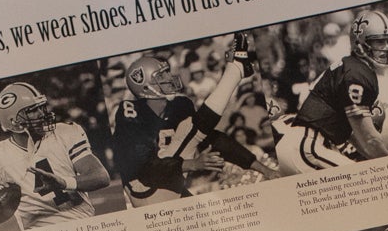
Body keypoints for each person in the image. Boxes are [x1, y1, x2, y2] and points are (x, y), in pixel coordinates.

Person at [108, 36, 274, 204]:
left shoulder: (179, 106)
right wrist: (192, 164)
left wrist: (264, 169)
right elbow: (144, 169)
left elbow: (213, 139)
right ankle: (235, 71)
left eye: (167, 71)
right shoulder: (130, 112)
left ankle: (236, 70)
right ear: (145, 87)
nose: (169, 76)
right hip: (145, 189)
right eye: (161, 75)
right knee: (189, 128)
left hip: (169, 187)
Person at [0, 81, 110, 231]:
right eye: (33, 110)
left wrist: (64, 183)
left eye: (41, 106)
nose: (42, 113)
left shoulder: (65, 132)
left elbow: (101, 176)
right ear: (14, 122)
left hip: (83, 225)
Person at [275, 8, 388, 174]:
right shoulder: (357, 74)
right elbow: (370, 139)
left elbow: (354, 135)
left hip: (305, 145)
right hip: (307, 146)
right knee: (366, 177)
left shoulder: (352, 67)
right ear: (360, 44)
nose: (387, 48)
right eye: (379, 42)